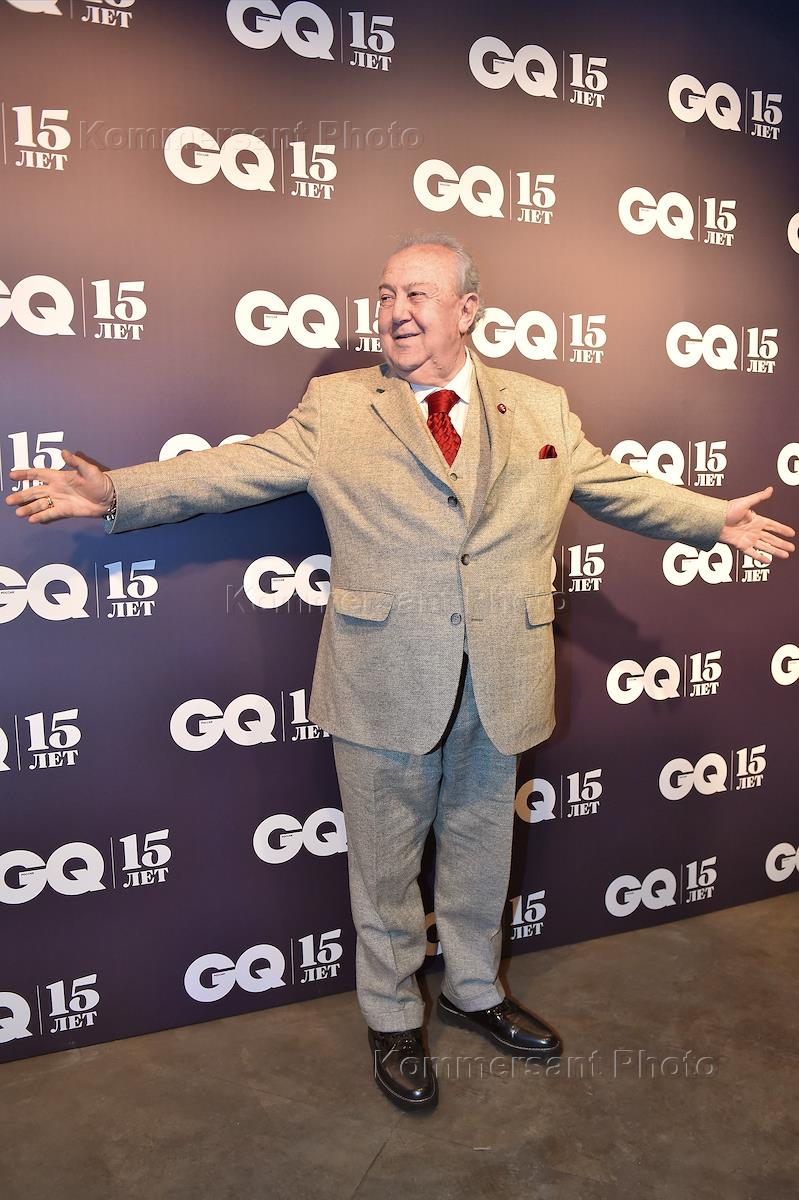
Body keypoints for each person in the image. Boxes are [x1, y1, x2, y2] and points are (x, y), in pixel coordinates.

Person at [5, 235, 795, 1113]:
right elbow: (233, 468)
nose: (395, 311)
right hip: (382, 674)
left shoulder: (539, 405)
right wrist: (116, 493)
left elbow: (612, 485)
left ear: (467, 310)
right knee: (383, 864)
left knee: (480, 848)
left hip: (502, 671)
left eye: (417, 294)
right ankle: (390, 1015)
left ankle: (473, 991)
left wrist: (708, 519)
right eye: (385, 294)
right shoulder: (338, 405)